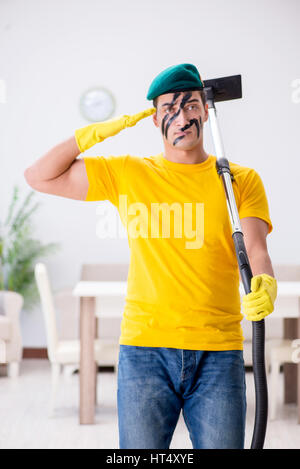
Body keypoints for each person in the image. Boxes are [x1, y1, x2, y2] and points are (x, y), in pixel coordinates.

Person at [24, 63, 277, 449]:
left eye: (190, 105)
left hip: (218, 352)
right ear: (154, 118)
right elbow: (39, 176)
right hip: (144, 352)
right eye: (169, 109)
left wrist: (265, 281)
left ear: (206, 111)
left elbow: (256, 248)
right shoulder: (128, 172)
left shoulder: (238, 180)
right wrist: (95, 133)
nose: (181, 117)